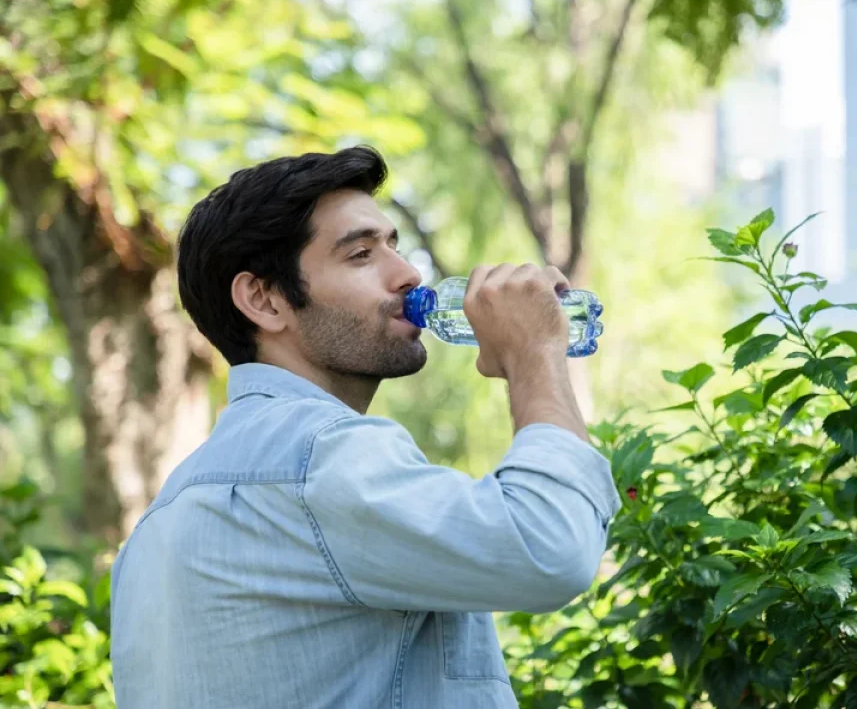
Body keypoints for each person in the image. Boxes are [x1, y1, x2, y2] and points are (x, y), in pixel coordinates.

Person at [109, 146, 620, 708]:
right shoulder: (321, 457)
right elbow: (552, 547)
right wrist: (534, 356)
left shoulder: (157, 526)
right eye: (360, 255)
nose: (407, 273)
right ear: (264, 299)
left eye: (394, 246)